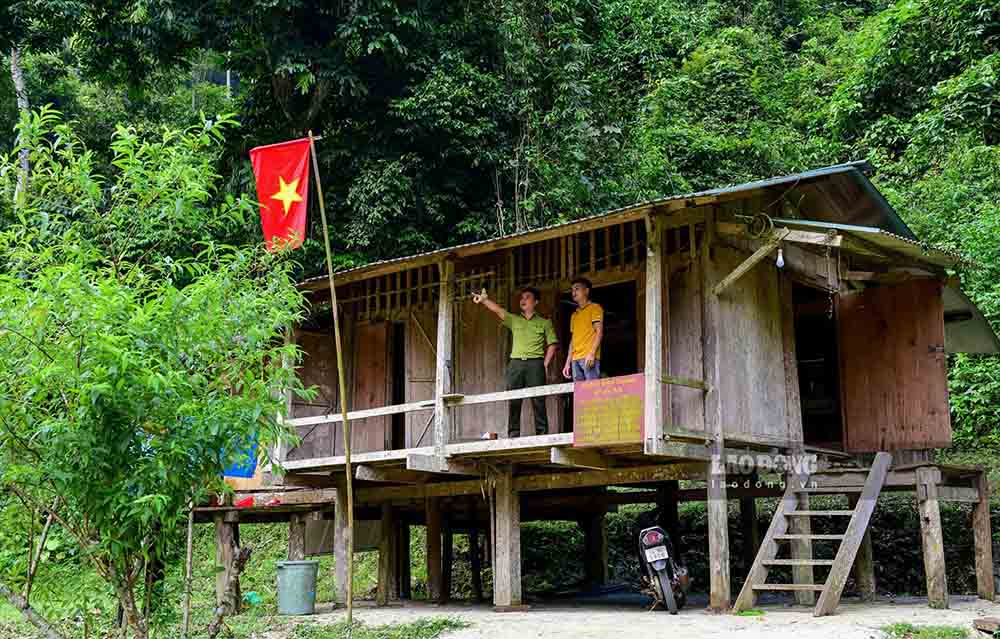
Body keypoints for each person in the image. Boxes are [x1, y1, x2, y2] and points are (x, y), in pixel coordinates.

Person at [472, 286, 558, 437]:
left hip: (535, 363)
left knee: (538, 400)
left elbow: (552, 344)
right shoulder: (514, 319)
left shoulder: (545, 323)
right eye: (522, 298)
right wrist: (485, 300)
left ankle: (543, 435)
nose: (523, 300)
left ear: (536, 302)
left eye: (527, 297)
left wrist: (545, 364)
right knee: (514, 399)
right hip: (516, 364)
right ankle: (513, 435)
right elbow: (498, 310)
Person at [562, 277, 604, 381]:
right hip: (575, 359)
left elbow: (599, 332)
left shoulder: (595, 308)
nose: (573, 292)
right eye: (572, 290)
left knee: (592, 392)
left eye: (577, 289)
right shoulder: (574, 315)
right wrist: (568, 362)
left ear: (586, 290)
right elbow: (573, 340)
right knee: (579, 394)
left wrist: (592, 353)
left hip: (588, 357)